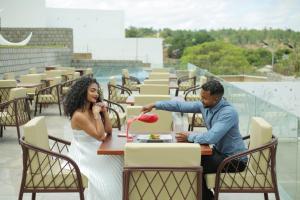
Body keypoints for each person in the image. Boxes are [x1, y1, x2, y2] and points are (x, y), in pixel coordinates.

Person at [142, 79, 247, 200]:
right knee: (191, 159)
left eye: (205, 98)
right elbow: (180, 105)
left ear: (216, 99)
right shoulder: (206, 105)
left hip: (234, 160)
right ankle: (205, 197)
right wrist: (155, 105)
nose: (201, 100)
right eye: (201, 96)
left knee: (192, 164)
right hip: (219, 153)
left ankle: (205, 197)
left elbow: (211, 137)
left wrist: (189, 137)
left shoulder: (228, 113)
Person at [64, 77, 123, 200]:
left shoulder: (91, 109)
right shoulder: (78, 115)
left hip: (95, 147)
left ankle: (124, 193)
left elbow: (109, 131)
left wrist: (104, 112)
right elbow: (101, 136)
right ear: (82, 91)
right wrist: (96, 114)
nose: (96, 94)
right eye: (92, 90)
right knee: (114, 165)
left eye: (97, 91)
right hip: (85, 153)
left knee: (120, 159)